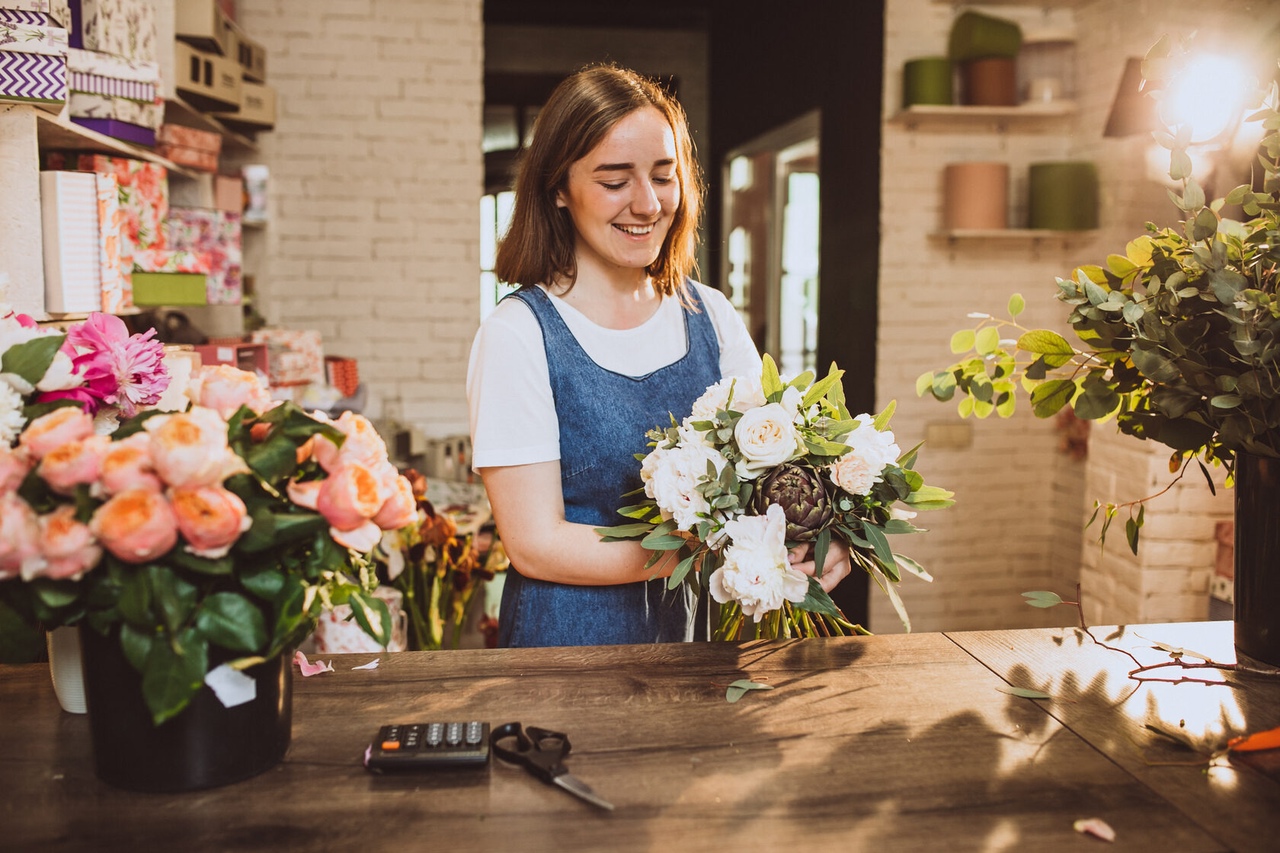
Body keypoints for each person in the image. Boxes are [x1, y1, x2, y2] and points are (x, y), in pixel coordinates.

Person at [466, 64, 850, 648]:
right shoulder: (518, 333)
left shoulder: (712, 316)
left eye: (664, 176)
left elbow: (776, 477)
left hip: (695, 648)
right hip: (564, 655)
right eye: (614, 180)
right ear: (558, 190)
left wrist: (818, 536)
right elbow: (535, 544)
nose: (647, 204)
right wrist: (711, 550)